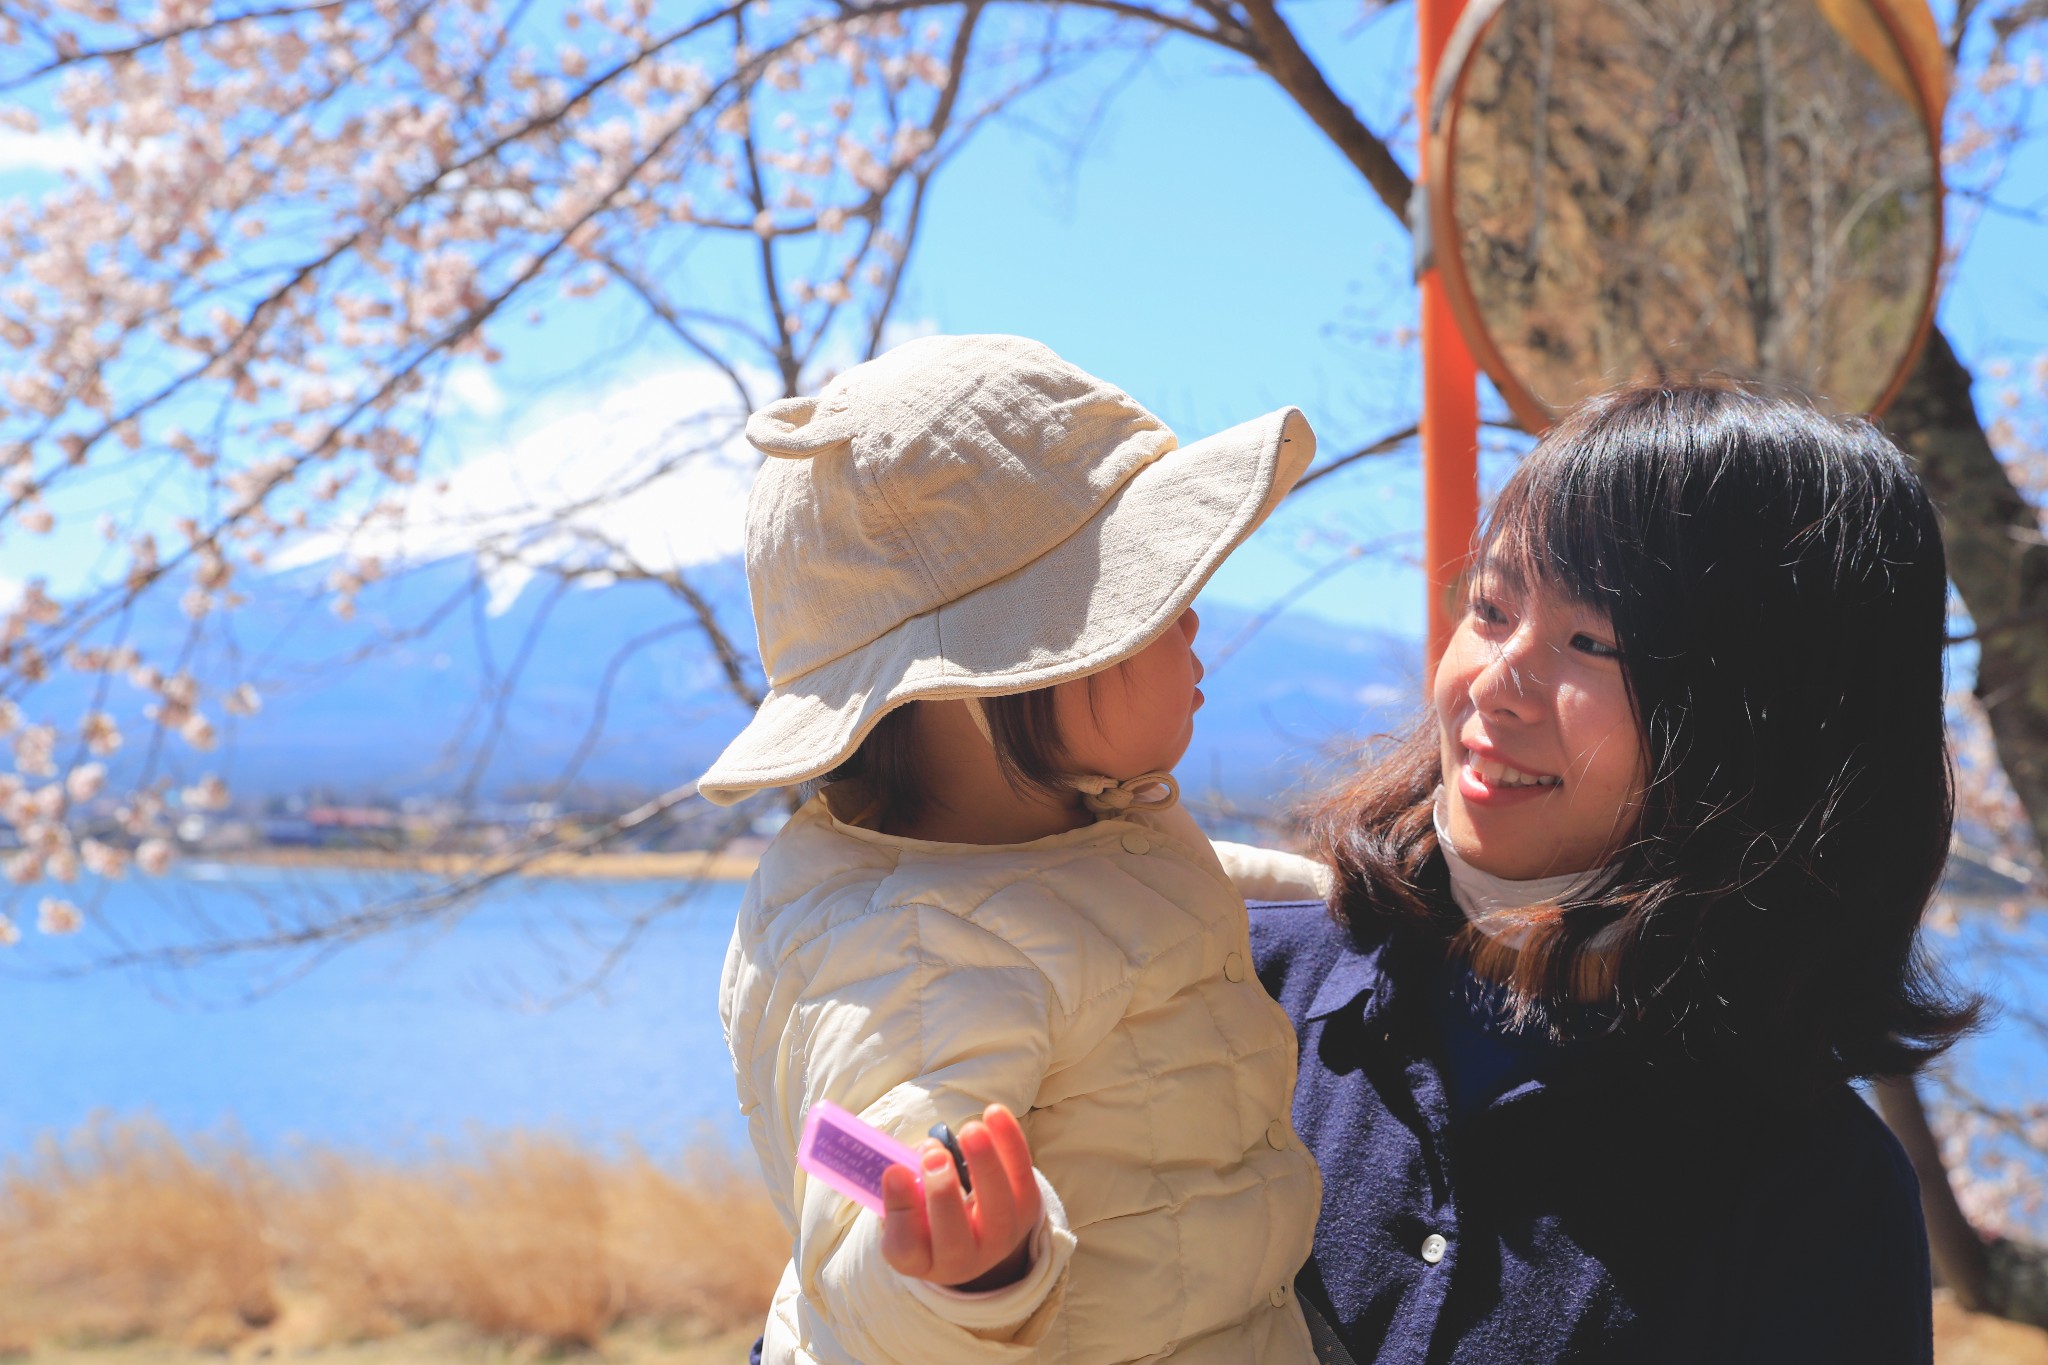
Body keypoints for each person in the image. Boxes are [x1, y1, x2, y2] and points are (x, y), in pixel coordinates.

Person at [1251, 382, 1979, 1364]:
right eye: (1490, 607)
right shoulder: (1239, 990)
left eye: (1590, 641)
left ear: (1766, 720)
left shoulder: (1814, 1201)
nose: (1493, 683)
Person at [700, 334, 1325, 1364]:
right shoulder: (906, 960)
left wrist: (1347, 893)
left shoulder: (1078, 833)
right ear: (992, 684)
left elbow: (1154, 902)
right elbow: (856, 1184)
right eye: (1150, 602)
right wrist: (973, 1272)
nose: (1192, 621)